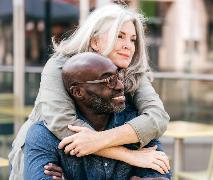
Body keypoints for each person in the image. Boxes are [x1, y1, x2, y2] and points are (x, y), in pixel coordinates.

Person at [9, 3, 170, 179]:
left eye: (132, 39)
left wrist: (100, 139)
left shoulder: (132, 71)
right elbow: (63, 125)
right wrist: (129, 155)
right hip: (52, 153)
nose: (128, 46)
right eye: (120, 36)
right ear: (95, 41)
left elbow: (157, 117)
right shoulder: (60, 65)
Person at [24, 52, 170, 179]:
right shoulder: (43, 136)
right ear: (78, 92)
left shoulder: (136, 125)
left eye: (118, 76)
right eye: (108, 81)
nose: (120, 86)